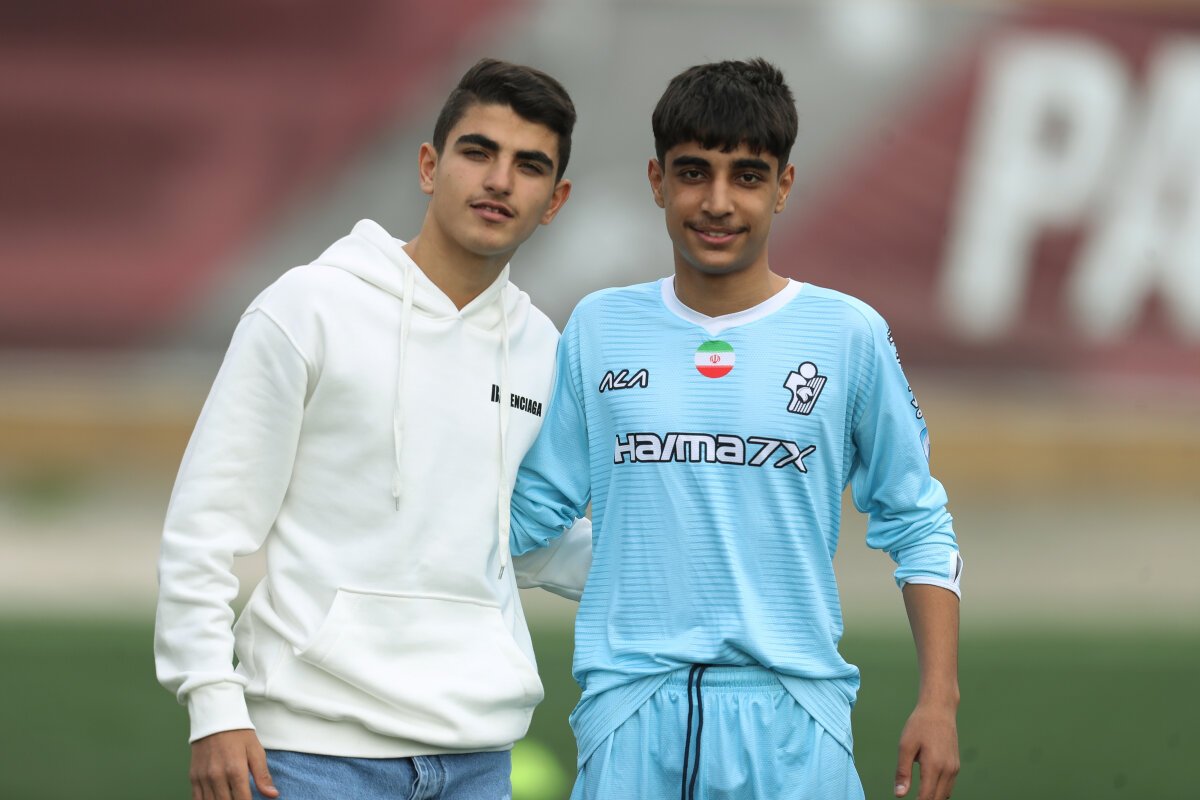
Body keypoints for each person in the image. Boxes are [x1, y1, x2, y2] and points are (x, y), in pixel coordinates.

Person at [510, 58, 963, 800]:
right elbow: (529, 517)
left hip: (793, 721)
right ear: (657, 181)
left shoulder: (847, 334)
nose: (717, 202)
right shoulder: (599, 327)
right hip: (630, 717)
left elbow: (918, 522)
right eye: (693, 173)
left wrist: (939, 702)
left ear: (783, 186)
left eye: (747, 177)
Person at [155, 57, 592, 800]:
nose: (499, 181)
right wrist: (212, 702)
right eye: (478, 152)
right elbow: (206, 524)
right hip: (309, 755)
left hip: (478, 756)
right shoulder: (308, 308)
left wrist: (678, 561)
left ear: (554, 201)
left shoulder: (545, 352)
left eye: (529, 166)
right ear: (429, 165)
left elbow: (515, 536)